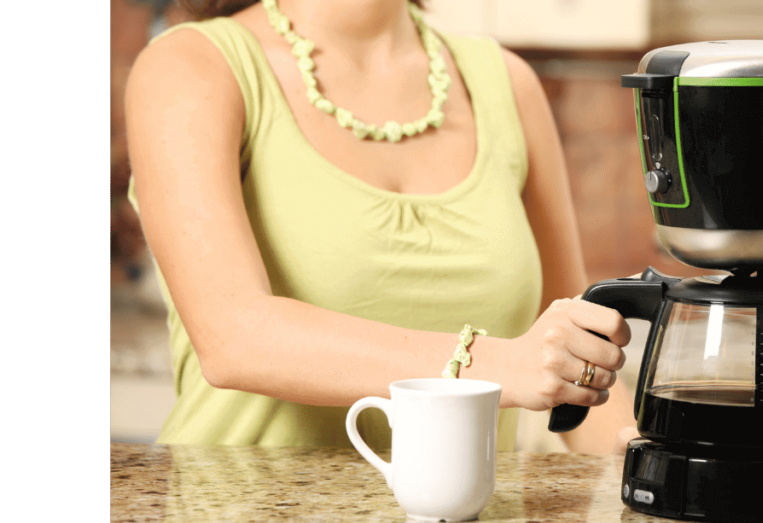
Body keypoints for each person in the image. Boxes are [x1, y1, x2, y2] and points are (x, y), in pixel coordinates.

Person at [125, 0, 637, 453]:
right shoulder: (192, 67)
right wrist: (497, 363)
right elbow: (231, 336)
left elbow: (576, 364)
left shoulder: (506, 83)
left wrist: (642, 454)